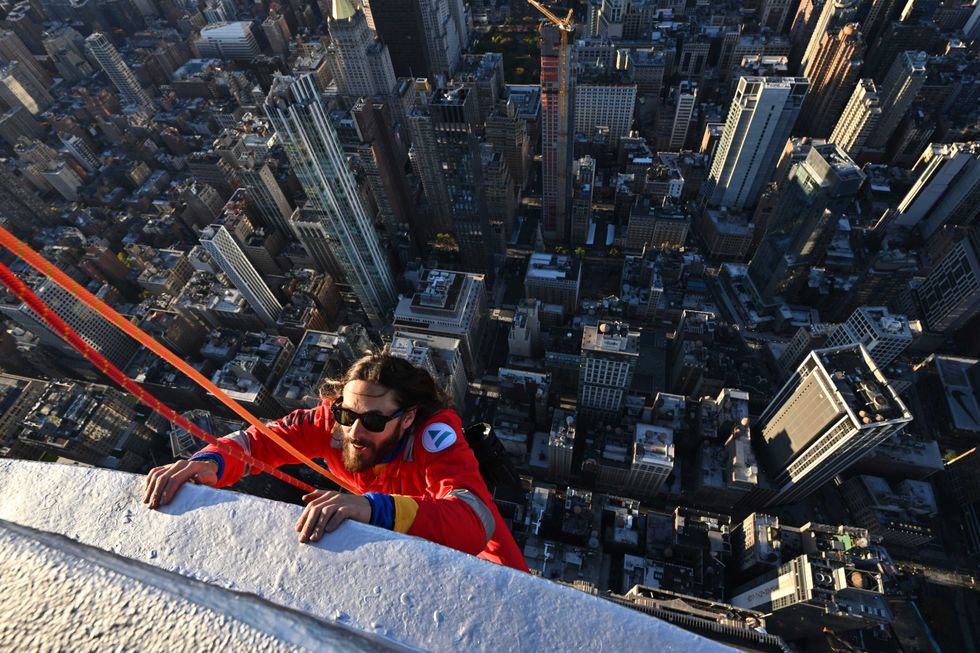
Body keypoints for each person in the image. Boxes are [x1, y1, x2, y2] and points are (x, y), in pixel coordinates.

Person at [143, 352, 529, 572]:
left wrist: (371, 508)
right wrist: (210, 462)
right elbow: (259, 441)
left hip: (481, 559)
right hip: (395, 541)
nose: (355, 432)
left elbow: (474, 519)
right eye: (348, 414)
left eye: (375, 421)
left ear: (408, 418)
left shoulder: (435, 438)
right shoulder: (331, 422)